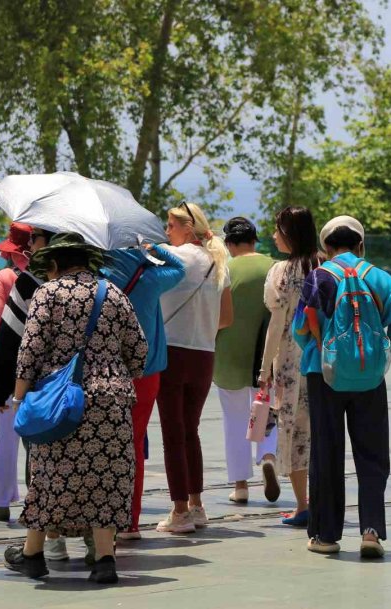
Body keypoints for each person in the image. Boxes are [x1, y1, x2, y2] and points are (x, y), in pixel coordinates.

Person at [3, 233, 147, 585]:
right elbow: (140, 352)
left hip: (61, 402)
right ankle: (104, 560)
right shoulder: (113, 293)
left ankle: (34, 554)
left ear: (54, 264)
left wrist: (19, 397)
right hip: (111, 402)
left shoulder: (47, 294)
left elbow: (30, 353)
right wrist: (111, 371)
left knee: (50, 476)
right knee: (106, 479)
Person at [292, 216, 391, 558]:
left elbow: (300, 329)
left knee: (327, 453)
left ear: (326, 248)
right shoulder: (378, 277)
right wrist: (377, 352)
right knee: (373, 454)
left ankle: (326, 535)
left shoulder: (319, 277)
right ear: (361, 245)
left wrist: (322, 353)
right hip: (370, 378)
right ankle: (371, 531)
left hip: (324, 375)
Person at [156, 202, 233, 534]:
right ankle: (198, 504)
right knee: (191, 431)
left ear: (187, 228)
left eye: (170, 225)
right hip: (204, 353)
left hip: (172, 351)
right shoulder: (218, 262)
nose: (165, 231)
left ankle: (179, 510)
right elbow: (227, 318)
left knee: (173, 434)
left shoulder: (170, 256)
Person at [103, 240, 186, 540]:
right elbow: (180, 268)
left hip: (107, 371)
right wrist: (153, 250)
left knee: (105, 443)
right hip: (147, 371)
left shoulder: (102, 276)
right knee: (134, 445)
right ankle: (130, 522)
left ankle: (102, 520)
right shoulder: (150, 277)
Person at [258, 207, 318, 526]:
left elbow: (276, 324)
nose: (273, 235)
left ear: (289, 234)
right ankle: (323, 501)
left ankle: (302, 505)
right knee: (320, 433)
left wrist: (264, 369)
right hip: (322, 361)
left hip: (290, 365)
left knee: (295, 433)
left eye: (277, 229)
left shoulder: (281, 272)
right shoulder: (325, 266)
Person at [0, 223, 46, 524]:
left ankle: (0, 500)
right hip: (48, 376)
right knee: (40, 442)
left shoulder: (8, 280)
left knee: (6, 436)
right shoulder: (55, 282)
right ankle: (42, 502)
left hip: (12, 370)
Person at [213, 217, 279, 505]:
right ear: (255, 240)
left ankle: (240, 485)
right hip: (268, 355)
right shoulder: (275, 267)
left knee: (234, 418)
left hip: (229, 355)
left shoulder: (223, 270)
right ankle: (267, 457)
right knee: (267, 411)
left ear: (228, 244)